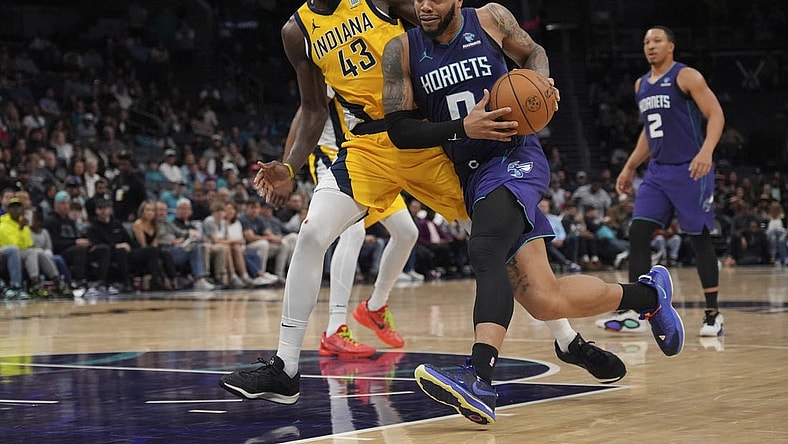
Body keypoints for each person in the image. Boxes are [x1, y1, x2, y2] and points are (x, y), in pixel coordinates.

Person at [219, 0, 649, 414]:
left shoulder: (380, 2)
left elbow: (441, 28)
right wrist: (290, 167)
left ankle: (568, 339)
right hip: (368, 146)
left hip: (431, 142)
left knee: (513, 264)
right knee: (312, 235)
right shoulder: (297, 31)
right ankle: (285, 368)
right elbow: (312, 108)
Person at [380, 1, 683, 424]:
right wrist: (460, 129)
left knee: (484, 249)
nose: (424, 5)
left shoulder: (489, 19)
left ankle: (479, 378)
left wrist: (540, 82)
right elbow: (398, 130)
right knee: (544, 299)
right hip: (472, 175)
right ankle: (650, 296)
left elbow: (533, 52)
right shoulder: (402, 50)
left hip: (515, 158)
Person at [603, 25, 725, 339]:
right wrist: (630, 166)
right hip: (658, 171)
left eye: (657, 40)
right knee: (638, 231)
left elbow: (716, 114)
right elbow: (648, 131)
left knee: (698, 238)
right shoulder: (641, 84)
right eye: (646, 41)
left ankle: (713, 314)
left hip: (690, 169)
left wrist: (706, 152)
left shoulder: (687, 76)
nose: (650, 46)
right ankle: (637, 308)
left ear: (671, 46)